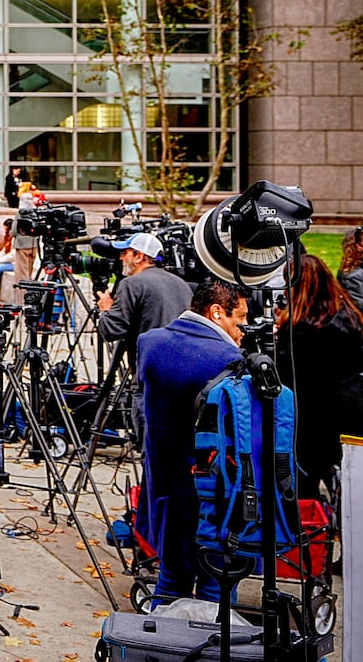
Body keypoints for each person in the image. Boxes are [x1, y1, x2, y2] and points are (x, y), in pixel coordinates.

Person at [137, 277, 248, 605]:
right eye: (239, 318)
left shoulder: (150, 342)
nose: (244, 327)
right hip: (212, 497)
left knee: (170, 583)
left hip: (164, 488)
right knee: (217, 587)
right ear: (217, 313)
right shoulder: (227, 359)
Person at [278, 254, 363, 500]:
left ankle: (313, 533)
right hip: (349, 411)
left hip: (313, 419)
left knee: (305, 488)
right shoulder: (347, 316)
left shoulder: (300, 330)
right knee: (347, 487)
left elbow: (288, 375)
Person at [96, 231, 193, 367]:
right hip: (183, 369)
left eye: (125, 253)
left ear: (139, 256)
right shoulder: (181, 284)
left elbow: (111, 331)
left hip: (149, 372)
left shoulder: (131, 284)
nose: (121, 258)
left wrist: (106, 310)